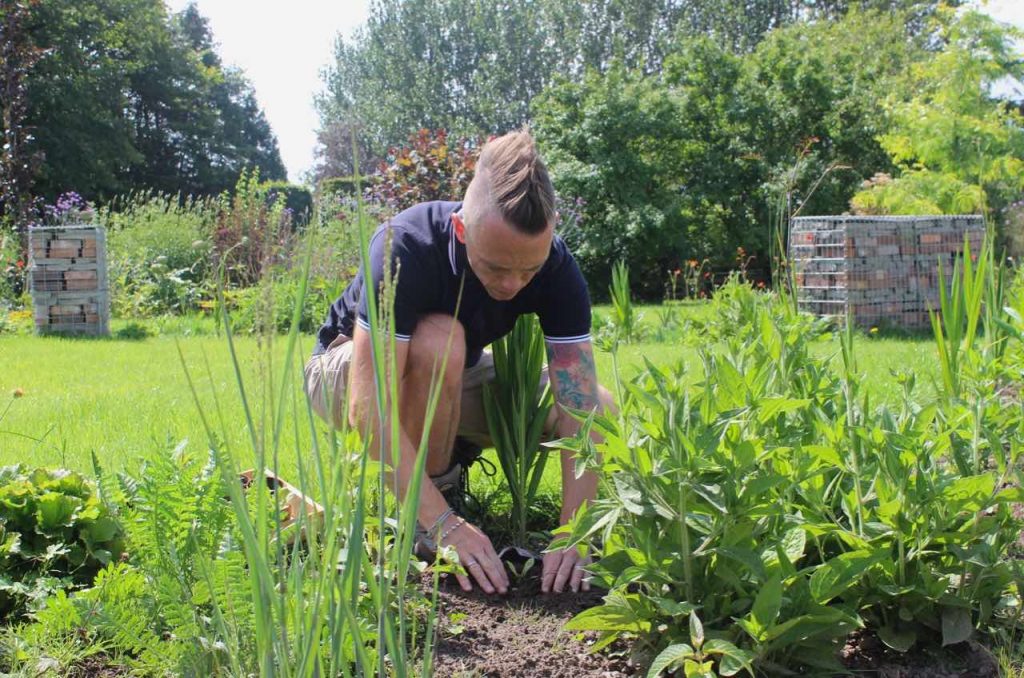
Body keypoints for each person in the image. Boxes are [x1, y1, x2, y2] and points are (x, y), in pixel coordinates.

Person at [304, 128, 613, 596]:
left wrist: (575, 531)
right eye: (495, 267)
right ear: (462, 230)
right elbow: (368, 412)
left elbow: (580, 405)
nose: (513, 285)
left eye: (528, 270)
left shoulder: (557, 267)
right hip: (343, 374)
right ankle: (429, 518)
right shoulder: (404, 247)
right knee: (439, 339)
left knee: (601, 403)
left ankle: (452, 502)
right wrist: (446, 523)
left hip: (452, 372)